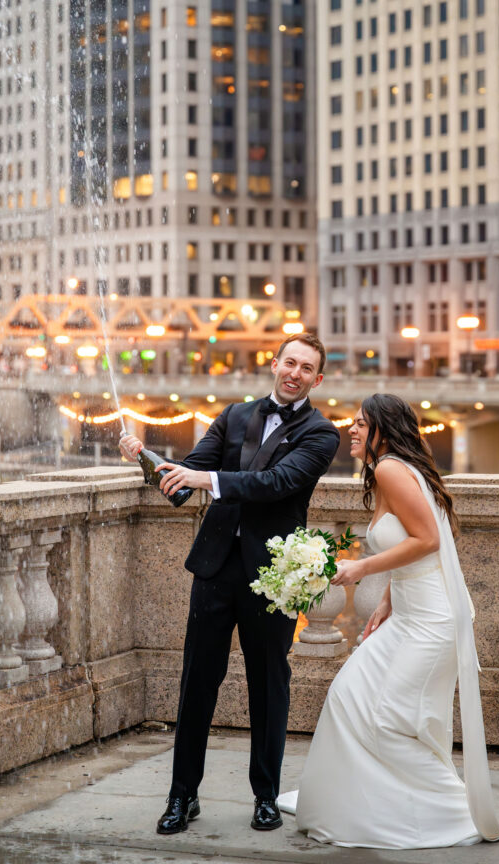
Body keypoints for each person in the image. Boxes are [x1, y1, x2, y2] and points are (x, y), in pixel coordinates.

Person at [119, 334, 340, 836]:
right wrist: (149, 460)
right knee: (196, 684)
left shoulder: (321, 433)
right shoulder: (235, 415)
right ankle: (182, 796)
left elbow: (276, 484)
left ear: (317, 379)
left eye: (307, 368)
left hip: (273, 578)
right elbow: (186, 480)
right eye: (290, 362)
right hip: (215, 570)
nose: (295, 373)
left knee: (269, 687)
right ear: (275, 364)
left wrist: (203, 480)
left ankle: (265, 796)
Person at [278, 394, 499, 850]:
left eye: (361, 423)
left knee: (391, 719)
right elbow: (415, 543)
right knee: (348, 696)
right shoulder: (392, 471)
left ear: (384, 427)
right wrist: (386, 598)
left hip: (432, 621)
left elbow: (428, 539)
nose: (353, 430)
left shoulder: (390, 469)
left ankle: (450, 809)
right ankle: (366, 800)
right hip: (408, 612)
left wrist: (362, 570)